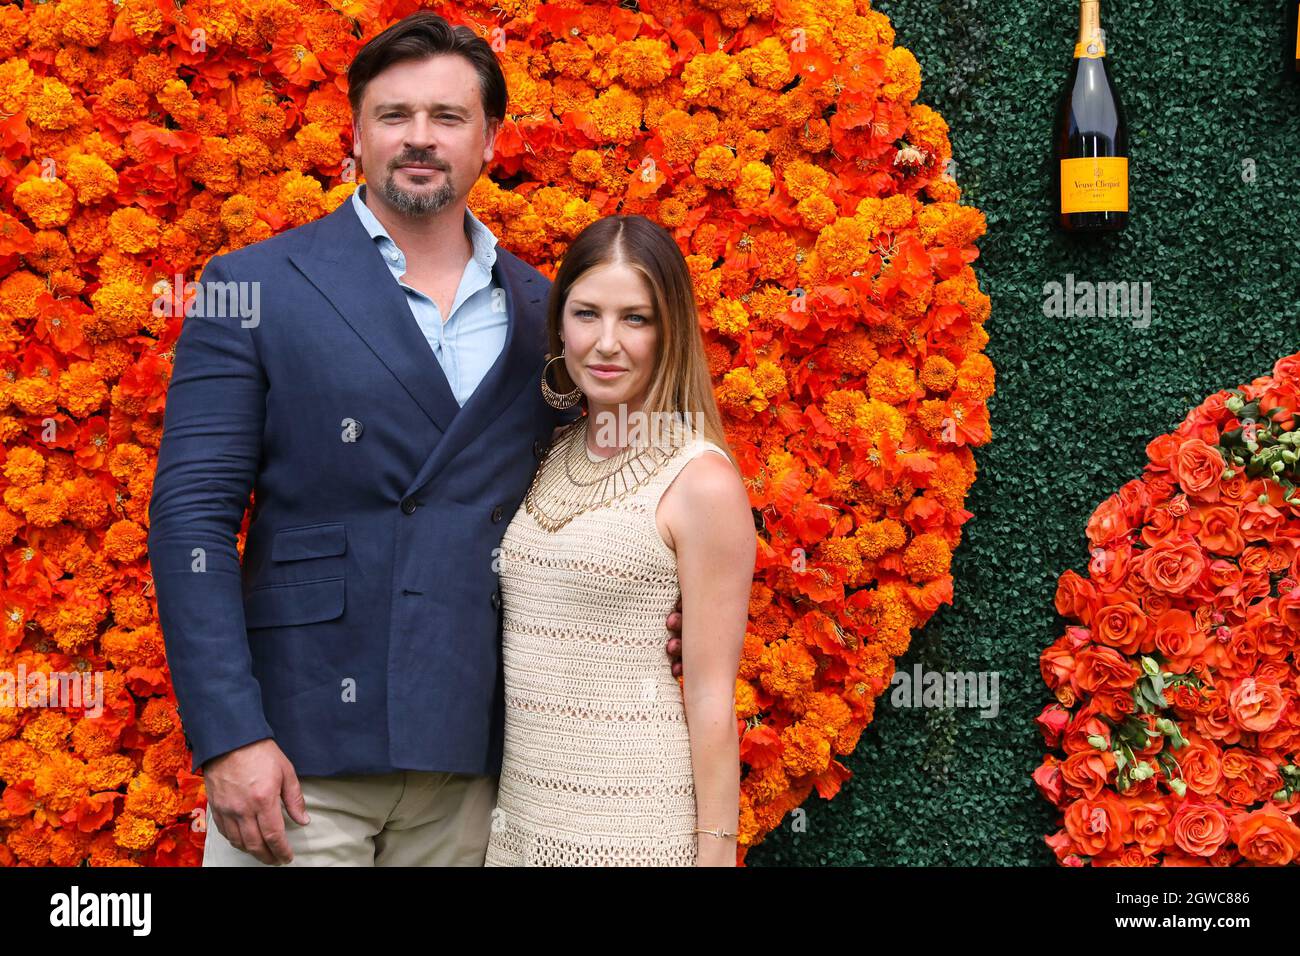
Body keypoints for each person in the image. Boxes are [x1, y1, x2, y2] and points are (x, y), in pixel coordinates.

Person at [147, 12, 685, 867]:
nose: (419, 138)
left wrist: (649, 597)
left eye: (447, 116)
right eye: (394, 116)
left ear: (490, 139)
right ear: (355, 133)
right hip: (296, 754)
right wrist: (228, 738)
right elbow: (192, 523)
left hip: (473, 755)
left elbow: (600, 489)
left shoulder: (552, 314)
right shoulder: (248, 286)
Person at [484, 216, 757, 867]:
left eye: (636, 318)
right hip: (519, 826)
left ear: (671, 332)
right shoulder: (550, 450)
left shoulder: (700, 481)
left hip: (632, 830)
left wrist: (716, 856)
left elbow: (712, 697)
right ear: (560, 326)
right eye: (587, 314)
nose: (606, 343)